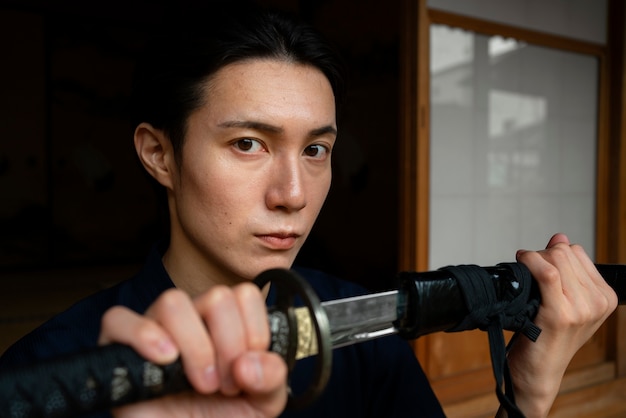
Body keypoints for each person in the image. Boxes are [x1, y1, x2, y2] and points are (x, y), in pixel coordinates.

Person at [0, 6, 617, 418]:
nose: (293, 193)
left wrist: (528, 400)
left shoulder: (364, 333)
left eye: (316, 149)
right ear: (160, 154)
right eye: (249, 144)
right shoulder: (49, 369)